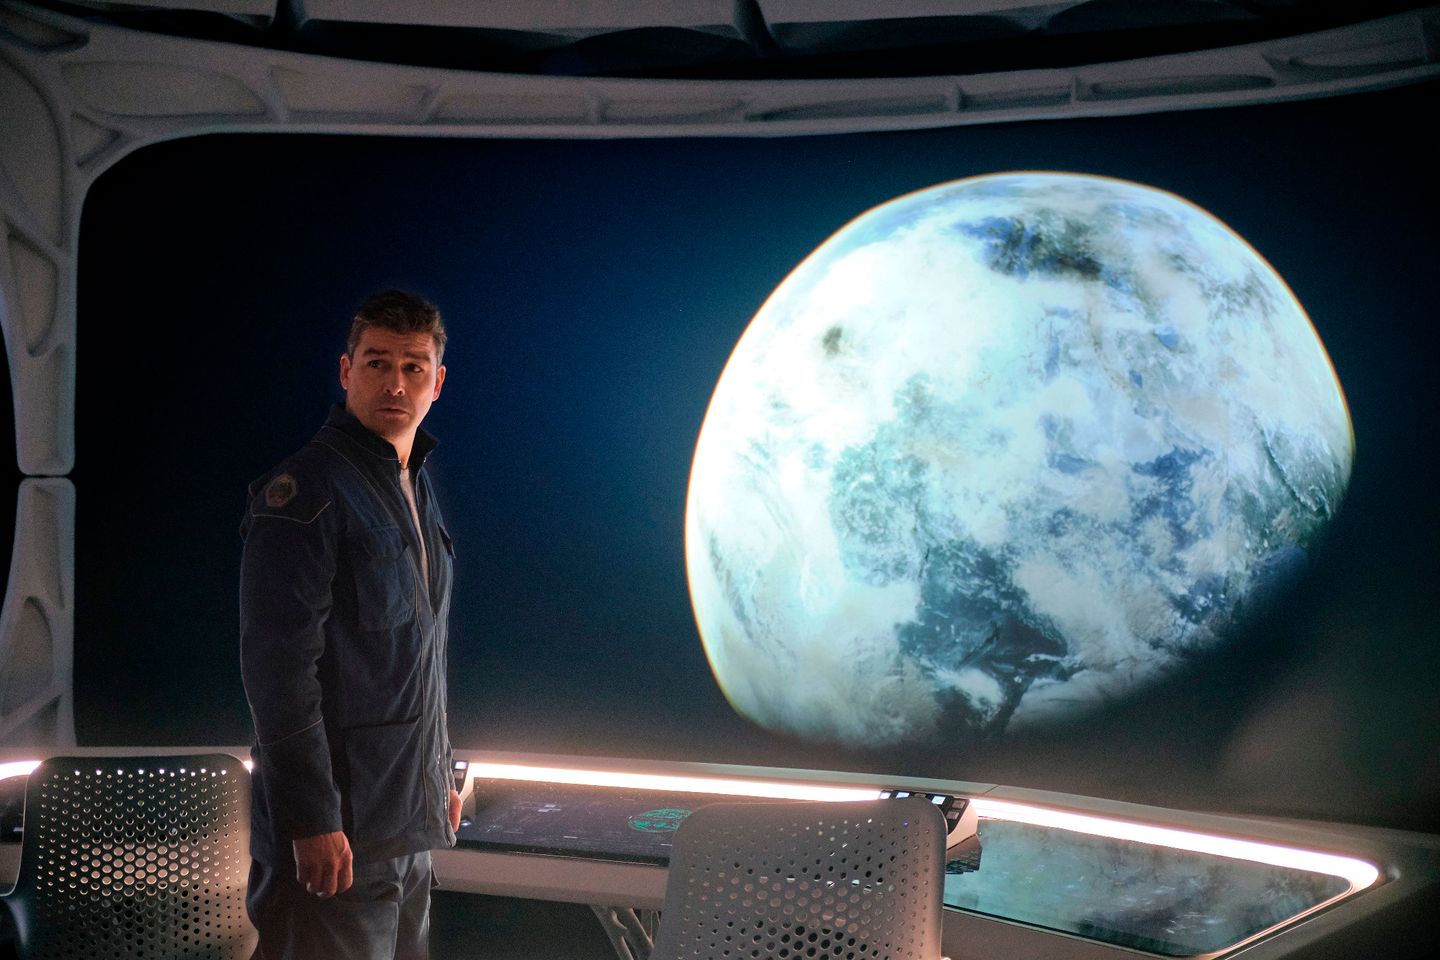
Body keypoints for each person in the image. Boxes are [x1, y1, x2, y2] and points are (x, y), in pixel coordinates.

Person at [239, 290, 461, 959]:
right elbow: (278, 671)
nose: (395, 383)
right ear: (346, 371)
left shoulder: (410, 483)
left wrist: (437, 776)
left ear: (436, 382)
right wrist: (310, 817)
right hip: (335, 835)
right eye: (376, 362)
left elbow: (415, 657)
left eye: (413, 367)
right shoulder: (305, 493)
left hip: (405, 825)